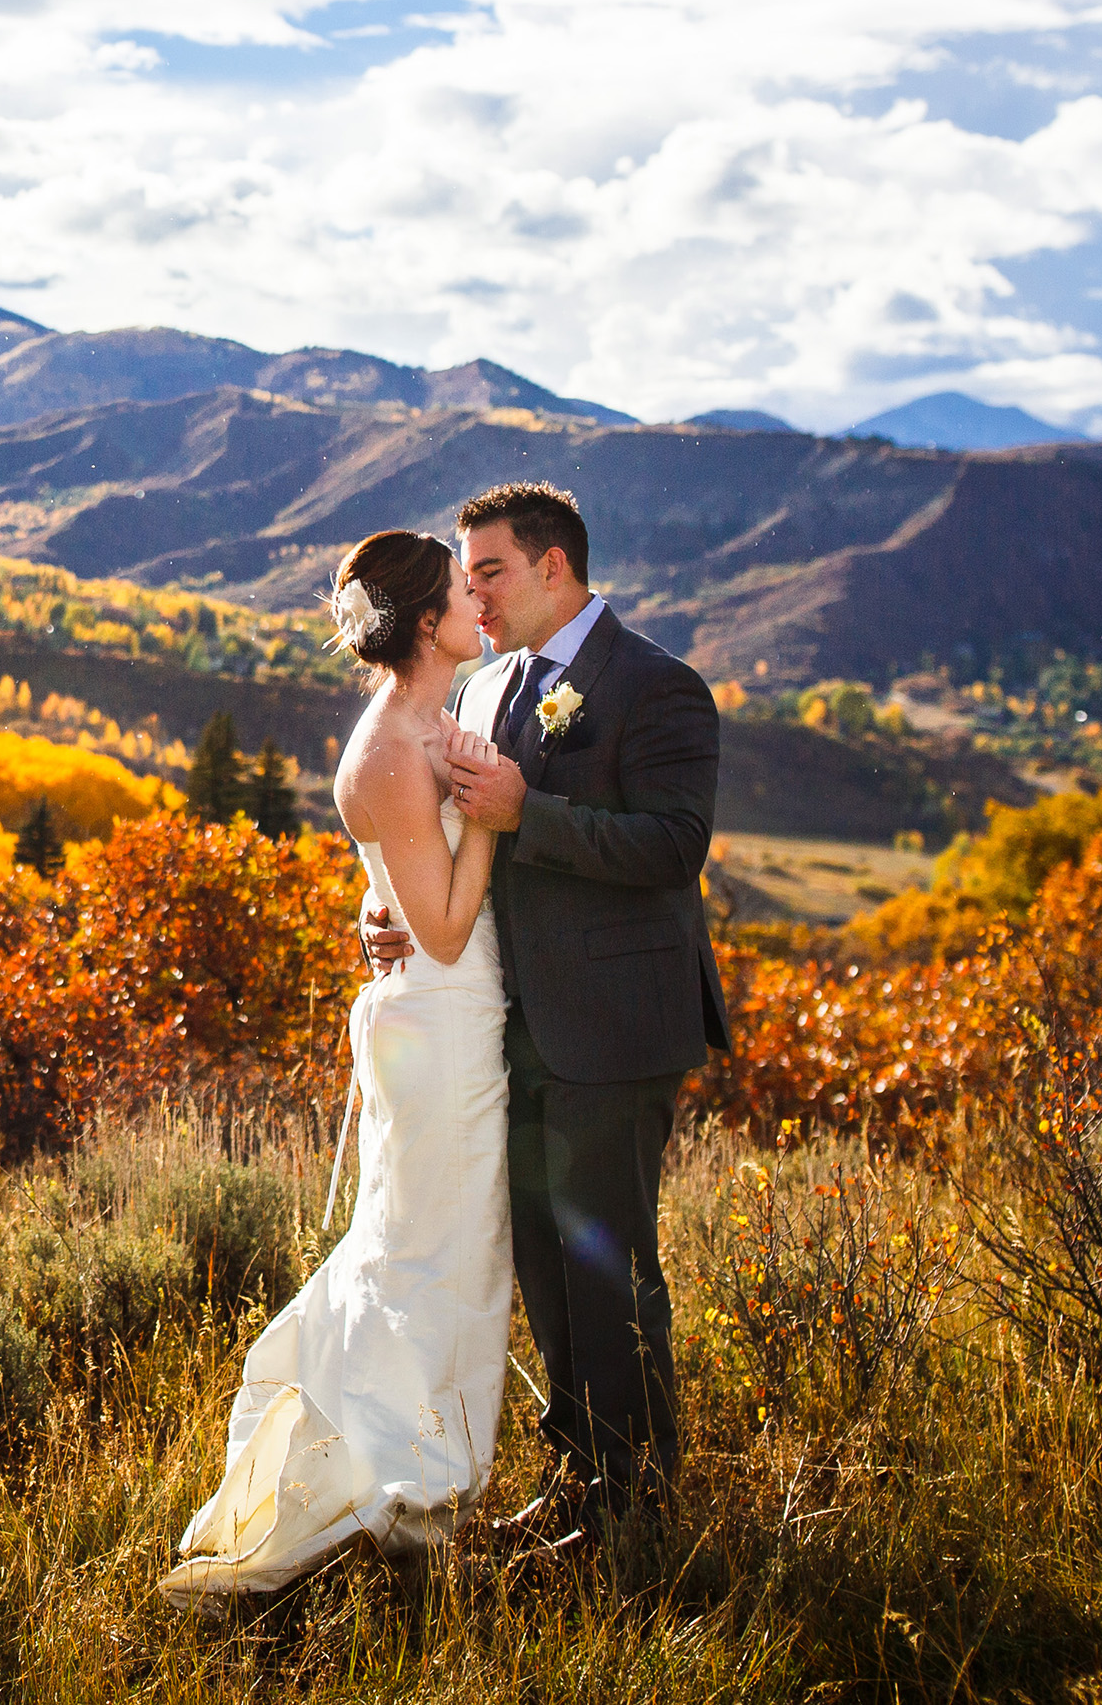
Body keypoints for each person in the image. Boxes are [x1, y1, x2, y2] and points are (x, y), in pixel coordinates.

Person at [159, 527, 515, 1597]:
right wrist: (493, 808)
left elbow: (402, 892)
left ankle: (402, 1474)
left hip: (447, 1019)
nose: (475, 603)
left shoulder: (424, 725)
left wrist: (403, 884)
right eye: (460, 589)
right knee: (433, 1264)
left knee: (431, 1255)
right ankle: (398, 1489)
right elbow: (445, 927)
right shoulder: (392, 748)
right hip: (443, 1026)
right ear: (422, 621)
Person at [373, 479, 724, 1543]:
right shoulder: (485, 695)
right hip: (507, 1028)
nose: (469, 592)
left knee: (605, 1268)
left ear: (551, 568)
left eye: (487, 570)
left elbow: (672, 846)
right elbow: (451, 845)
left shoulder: (656, 687)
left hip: (614, 1030)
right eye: (464, 575)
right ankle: (577, 1480)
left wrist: (537, 812)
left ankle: (635, 1504)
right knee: (543, 1269)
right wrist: (398, 918)